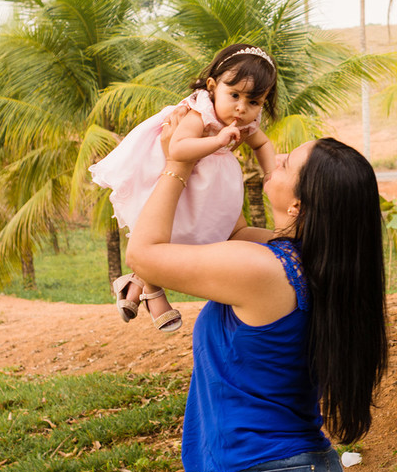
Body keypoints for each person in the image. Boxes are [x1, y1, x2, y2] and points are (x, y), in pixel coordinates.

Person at [126, 131, 389, 472]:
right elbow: (235, 228)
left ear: (299, 205)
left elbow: (142, 253)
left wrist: (177, 162)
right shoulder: (320, 263)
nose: (276, 158)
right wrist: (224, 152)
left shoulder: (264, 270)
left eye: (287, 163)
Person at [90, 44, 278, 332]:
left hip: (209, 187)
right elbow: (178, 147)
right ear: (213, 87)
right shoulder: (199, 112)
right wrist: (217, 141)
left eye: (254, 102)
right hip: (178, 175)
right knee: (165, 235)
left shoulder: (243, 120)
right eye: (235, 95)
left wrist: (271, 173)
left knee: (210, 234)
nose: (242, 108)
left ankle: (133, 284)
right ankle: (152, 291)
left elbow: (262, 143)